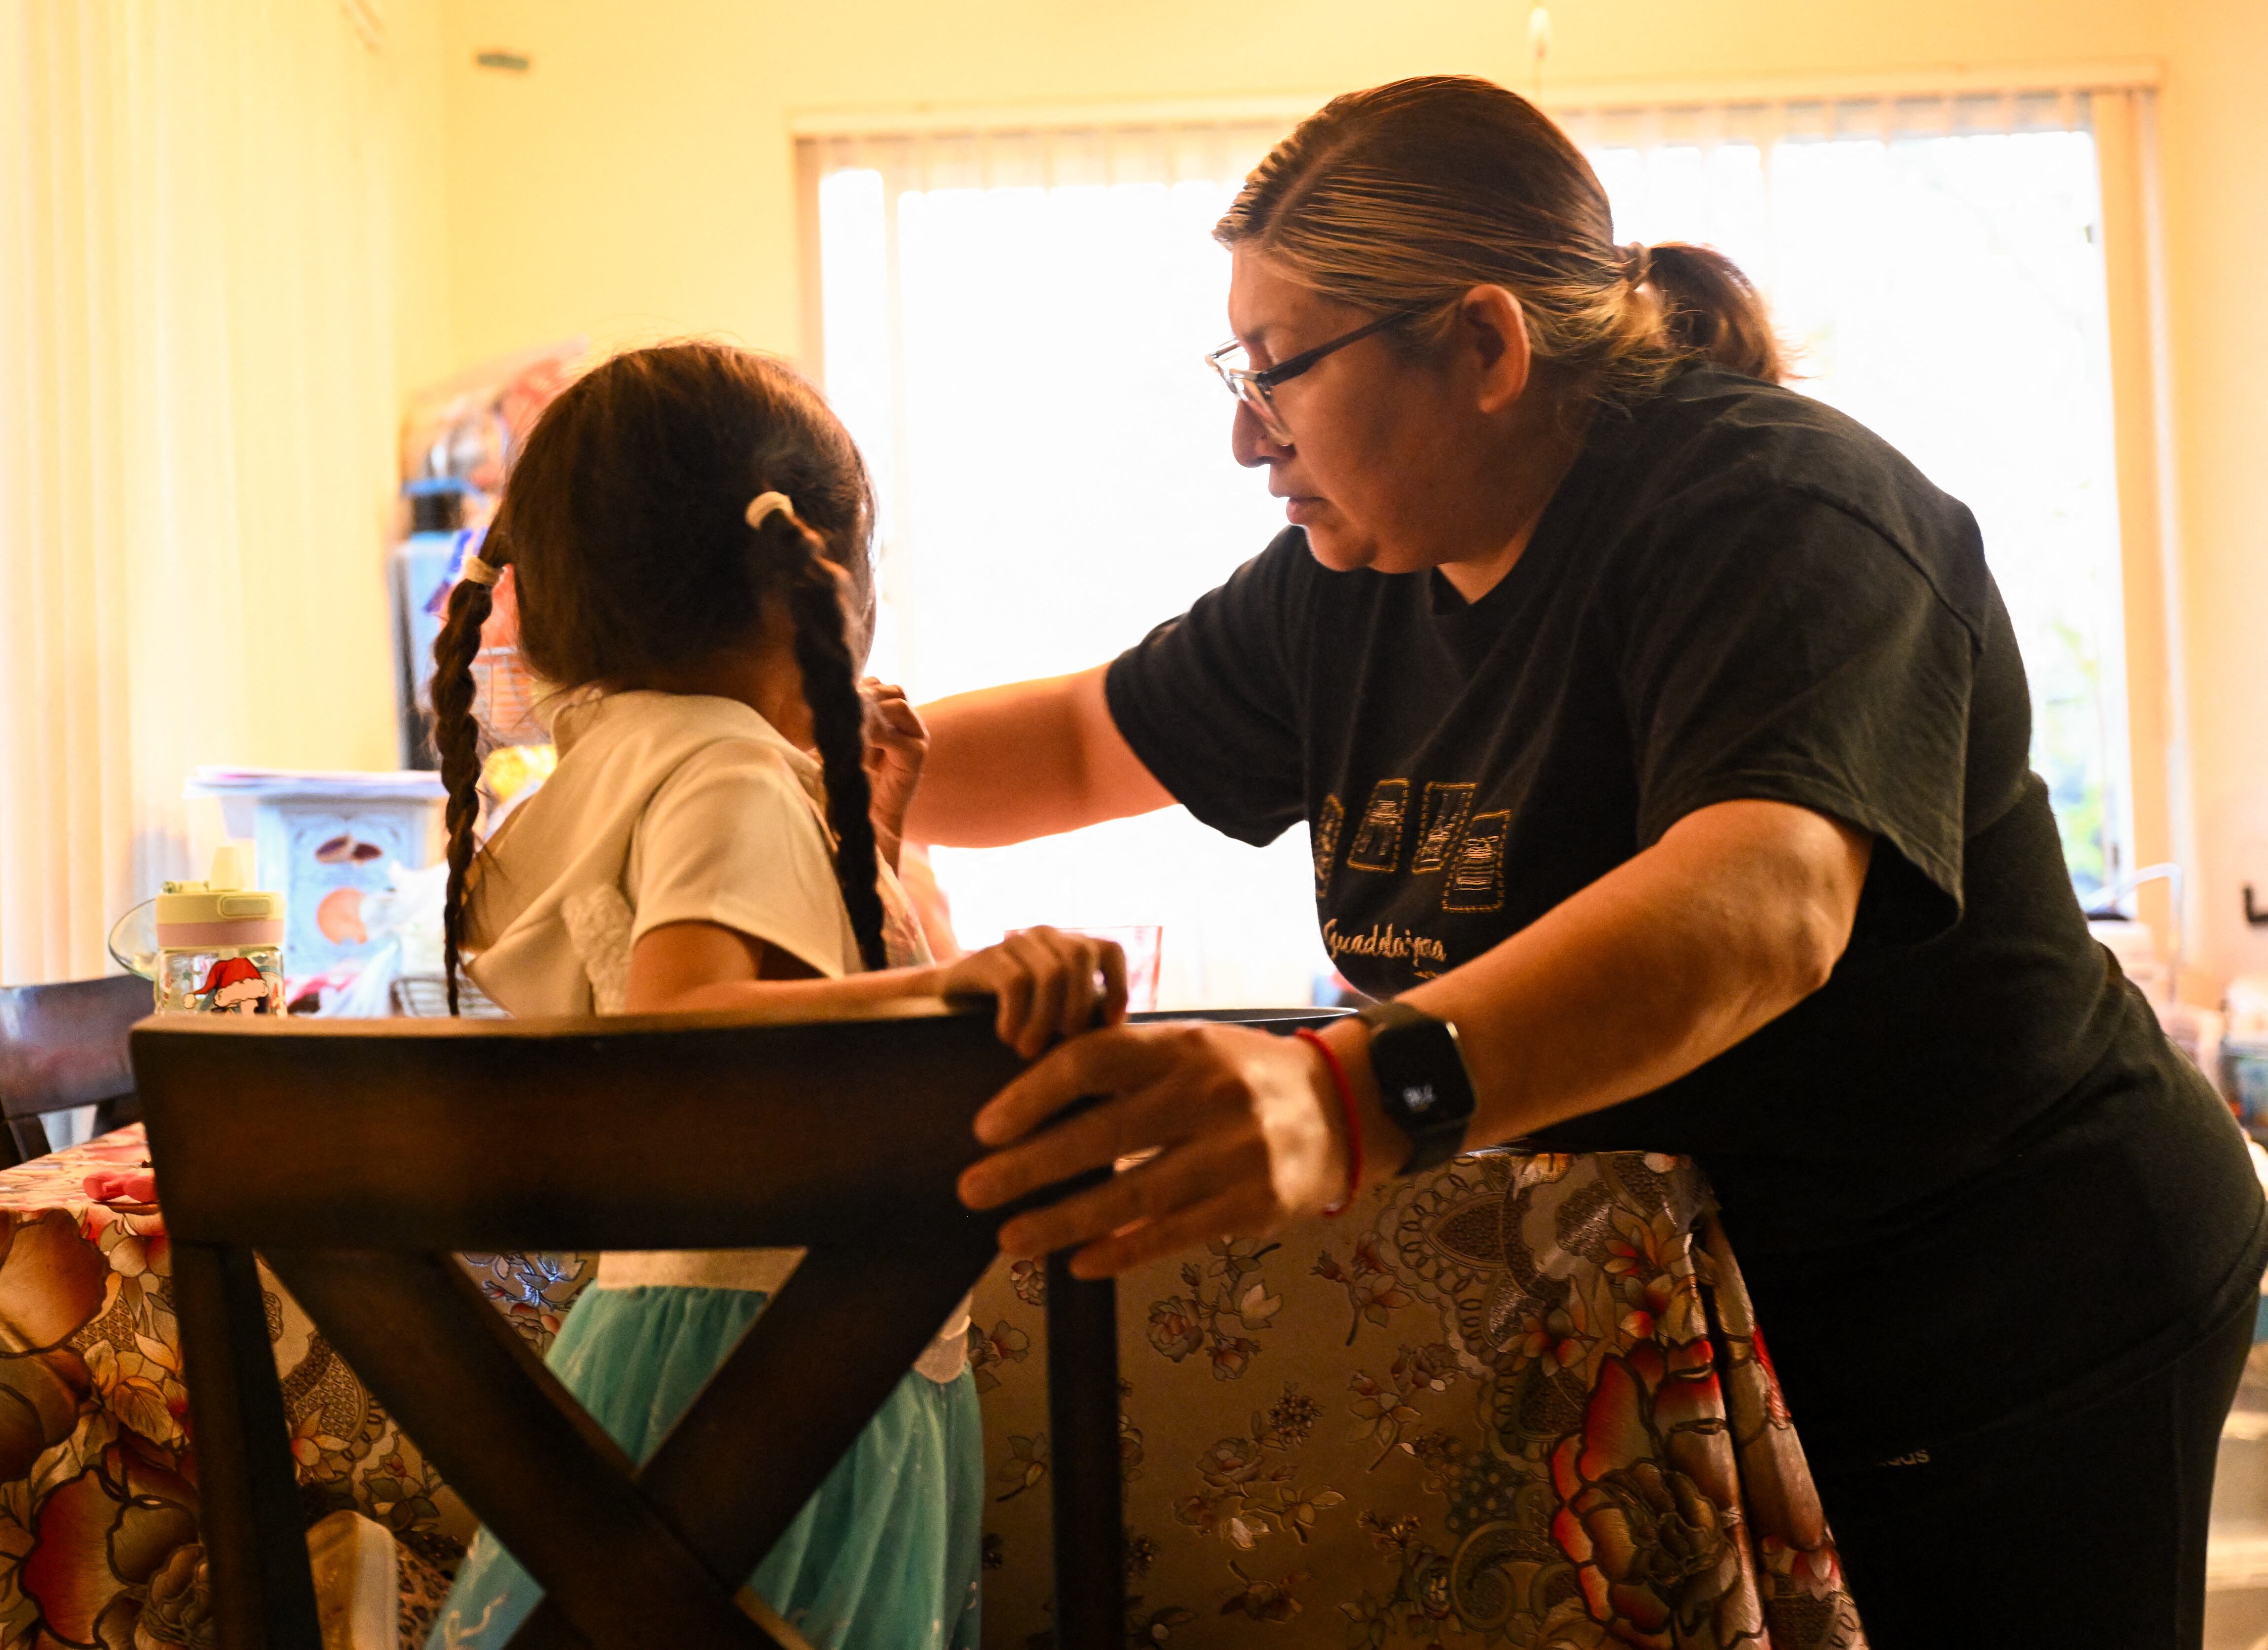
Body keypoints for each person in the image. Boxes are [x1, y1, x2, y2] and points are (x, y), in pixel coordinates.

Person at [911, 76, 2268, 1646]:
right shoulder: (1346, 580)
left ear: (1486, 346)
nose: (1244, 433)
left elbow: (1764, 901)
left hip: (2000, 1290)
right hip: (1703, 1293)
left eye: (1279, 367)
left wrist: (1351, 1096)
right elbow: (1084, 741)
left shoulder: (1775, 510)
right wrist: (782, 762)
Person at [420, 341, 1126, 1650]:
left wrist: (868, 858)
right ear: (815, 575)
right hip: (783, 1372)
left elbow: (781, 1026)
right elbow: (681, 1031)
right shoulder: (724, 764)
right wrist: (957, 986)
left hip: (686, 1346)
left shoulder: (632, 756)